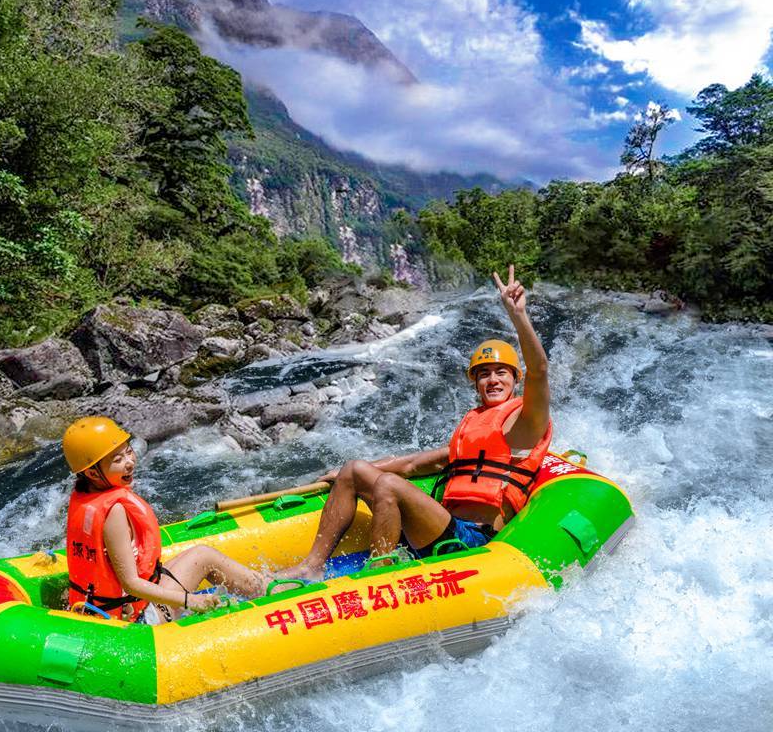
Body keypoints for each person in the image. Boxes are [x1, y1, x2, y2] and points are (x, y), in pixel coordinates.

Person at [277, 265, 551, 580]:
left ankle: (377, 577)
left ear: (515, 379)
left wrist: (518, 315)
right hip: (442, 527)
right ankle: (311, 565)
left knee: (390, 485)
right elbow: (410, 465)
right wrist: (340, 476)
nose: (492, 380)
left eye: (501, 372)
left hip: (474, 541)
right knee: (355, 468)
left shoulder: (526, 422)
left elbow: (540, 369)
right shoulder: (474, 426)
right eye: (484, 374)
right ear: (475, 383)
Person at [63, 416, 268, 624]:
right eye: (118, 460)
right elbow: (131, 584)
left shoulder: (83, 499)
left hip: (99, 610)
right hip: (135, 621)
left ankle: (270, 582)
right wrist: (190, 601)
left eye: (128, 451)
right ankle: (275, 590)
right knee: (204, 556)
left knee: (198, 555)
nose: (130, 462)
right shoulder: (113, 511)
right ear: (92, 473)